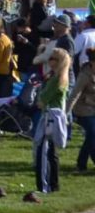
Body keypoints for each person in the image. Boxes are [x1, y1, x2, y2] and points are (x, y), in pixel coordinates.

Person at [31, 49, 71, 198]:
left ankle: (44, 185)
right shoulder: (59, 77)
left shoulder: (56, 80)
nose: (49, 61)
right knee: (52, 152)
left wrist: (41, 95)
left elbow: (43, 99)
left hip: (50, 115)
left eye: (52, 58)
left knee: (43, 150)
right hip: (56, 114)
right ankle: (54, 184)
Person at [69, 48, 95, 173]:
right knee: (92, 133)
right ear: (92, 62)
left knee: (91, 136)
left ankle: (81, 165)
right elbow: (75, 94)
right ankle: (81, 165)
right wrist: (66, 112)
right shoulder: (85, 75)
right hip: (83, 109)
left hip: (93, 108)